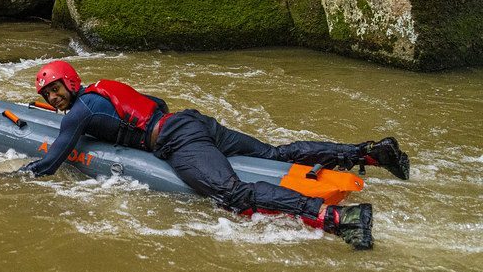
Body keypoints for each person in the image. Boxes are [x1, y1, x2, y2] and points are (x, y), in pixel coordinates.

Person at [21, 60, 410, 250]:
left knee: (232, 194)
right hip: (191, 121)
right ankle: (372, 153)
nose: (53, 98)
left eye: (55, 89)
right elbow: (157, 101)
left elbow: (50, 162)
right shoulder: (103, 87)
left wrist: (8, 176)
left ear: (69, 82)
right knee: (275, 152)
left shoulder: (79, 113)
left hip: (177, 141)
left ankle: (340, 218)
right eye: (48, 95)